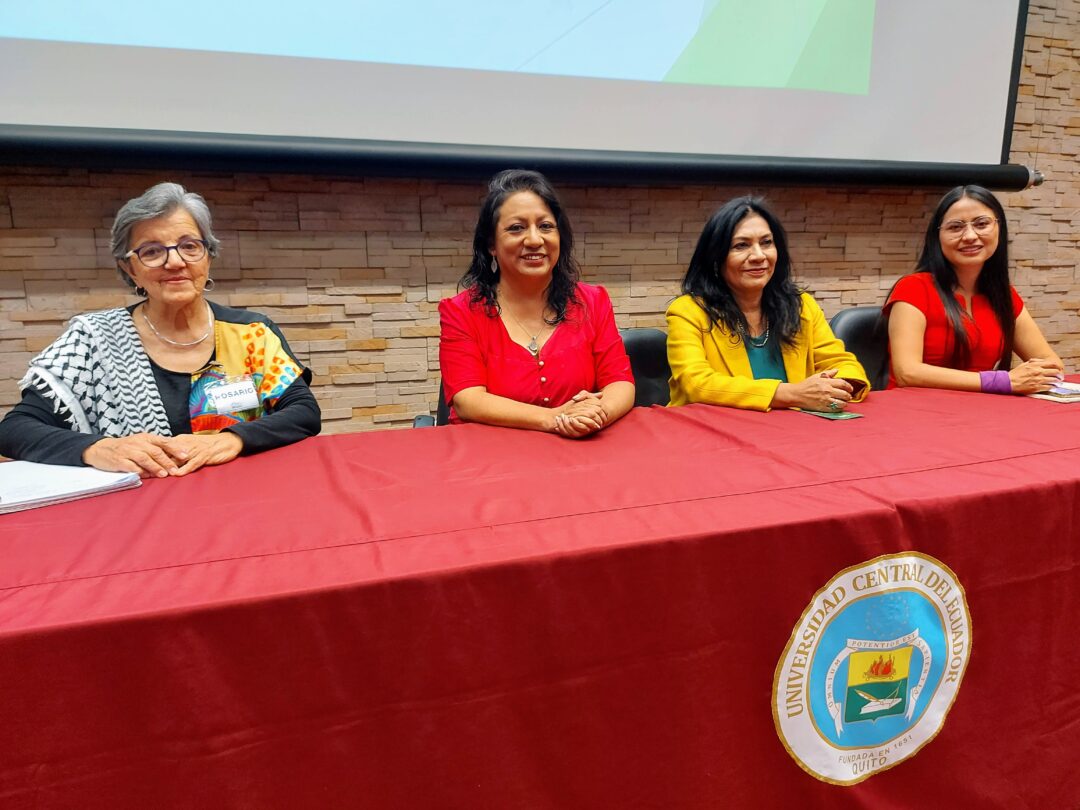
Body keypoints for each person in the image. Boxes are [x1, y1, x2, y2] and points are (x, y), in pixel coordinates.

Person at [0, 182, 321, 476]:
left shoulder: (252, 333)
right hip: (138, 516)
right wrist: (96, 448)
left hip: (243, 502)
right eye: (152, 251)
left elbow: (303, 412)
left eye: (189, 246)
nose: (175, 262)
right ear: (130, 269)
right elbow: (14, 430)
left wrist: (233, 439)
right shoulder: (92, 342)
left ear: (208, 256)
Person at [439, 169, 635, 436]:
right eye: (516, 228)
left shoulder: (593, 301)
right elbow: (468, 400)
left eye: (545, 226)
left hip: (578, 452)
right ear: (491, 244)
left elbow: (620, 383)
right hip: (490, 459)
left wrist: (595, 416)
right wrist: (553, 419)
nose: (534, 240)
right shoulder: (461, 311)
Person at [667, 196, 869, 411]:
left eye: (766, 243)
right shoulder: (688, 311)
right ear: (716, 258)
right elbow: (696, 384)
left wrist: (837, 386)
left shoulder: (801, 305)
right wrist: (794, 394)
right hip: (714, 431)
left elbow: (842, 363)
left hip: (790, 430)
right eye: (741, 245)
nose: (758, 255)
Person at [884, 184, 1063, 394]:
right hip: (915, 411)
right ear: (937, 236)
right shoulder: (913, 288)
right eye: (955, 227)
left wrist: (1032, 376)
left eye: (981, 224)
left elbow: (1052, 364)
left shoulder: (1004, 295)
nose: (969, 236)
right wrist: (1001, 381)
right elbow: (908, 372)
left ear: (999, 228)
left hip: (982, 412)